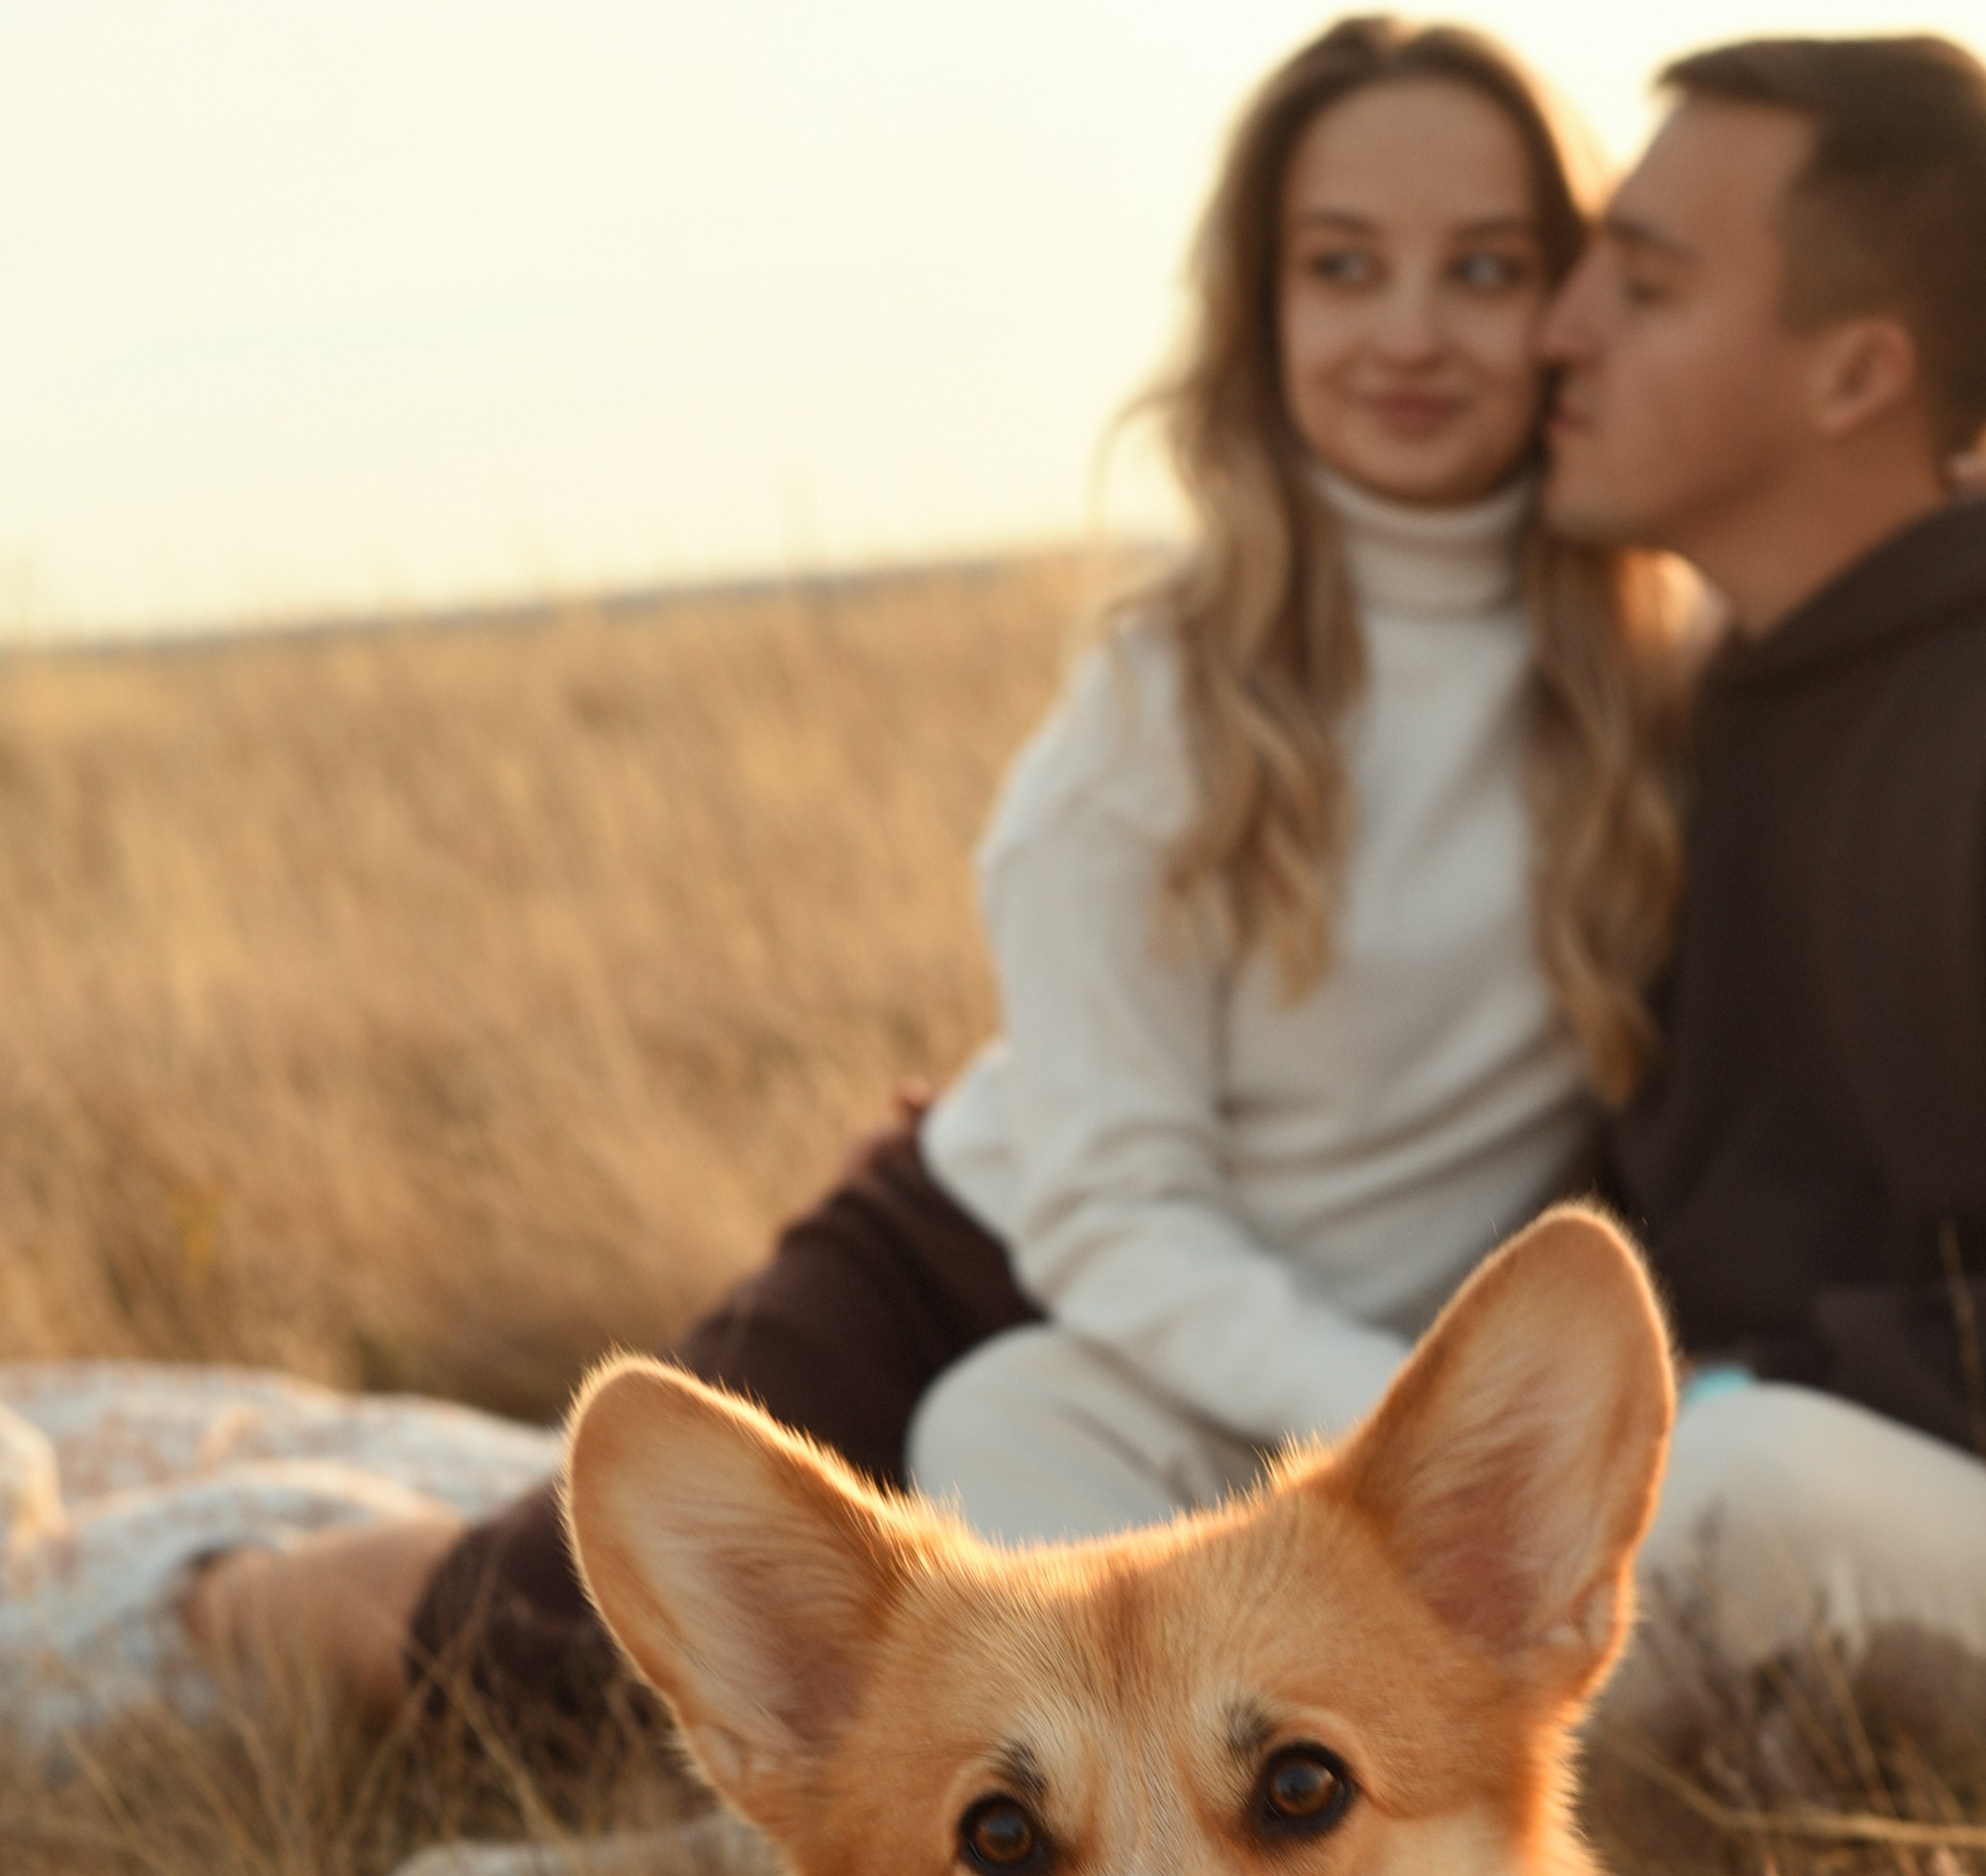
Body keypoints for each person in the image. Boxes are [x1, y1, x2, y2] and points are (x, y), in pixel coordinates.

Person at [177, 12, 1687, 1744]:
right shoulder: (1169, 697)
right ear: (1263, 314)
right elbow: (1112, 1212)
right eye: (1342, 268)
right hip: (984, 1267)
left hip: (1250, 1373)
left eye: (1483, 268)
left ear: (1569, 302)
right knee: (541, 1670)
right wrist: (1387, 1424)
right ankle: (211, 1590)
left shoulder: (1653, 668)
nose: (1409, 330)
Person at [917, 29, 1986, 1746]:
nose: (1556, 328)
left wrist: (1732, 1388)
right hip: (1689, 1443)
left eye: (1639, 285)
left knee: (1727, 1488)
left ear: (1854, 375)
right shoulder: (1717, 692)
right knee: (1025, 1412)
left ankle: (1289, 1809)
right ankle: (1156, 1812)